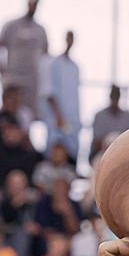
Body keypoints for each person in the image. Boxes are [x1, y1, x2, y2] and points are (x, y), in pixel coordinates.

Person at [0, 0, 48, 120]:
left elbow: (46, 54)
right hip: (13, 78)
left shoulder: (40, 30)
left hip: (32, 80)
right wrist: (2, 71)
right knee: (10, 113)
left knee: (30, 115)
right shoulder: (11, 25)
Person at [38, 31, 81, 163]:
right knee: (54, 152)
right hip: (56, 119)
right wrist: (58, 116)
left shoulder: (75, 67)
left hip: (72, 120)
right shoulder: (52, 63)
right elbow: (49, 92)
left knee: (71, 154)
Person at [89, 85, 129, 162]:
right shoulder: (99, 116)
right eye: (113, 97)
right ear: (110, 97)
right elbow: (96, 142)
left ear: (119, 97)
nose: (115, 100)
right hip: (102, 152)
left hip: (122, 152)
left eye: (116, 97)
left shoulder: (127, 116)